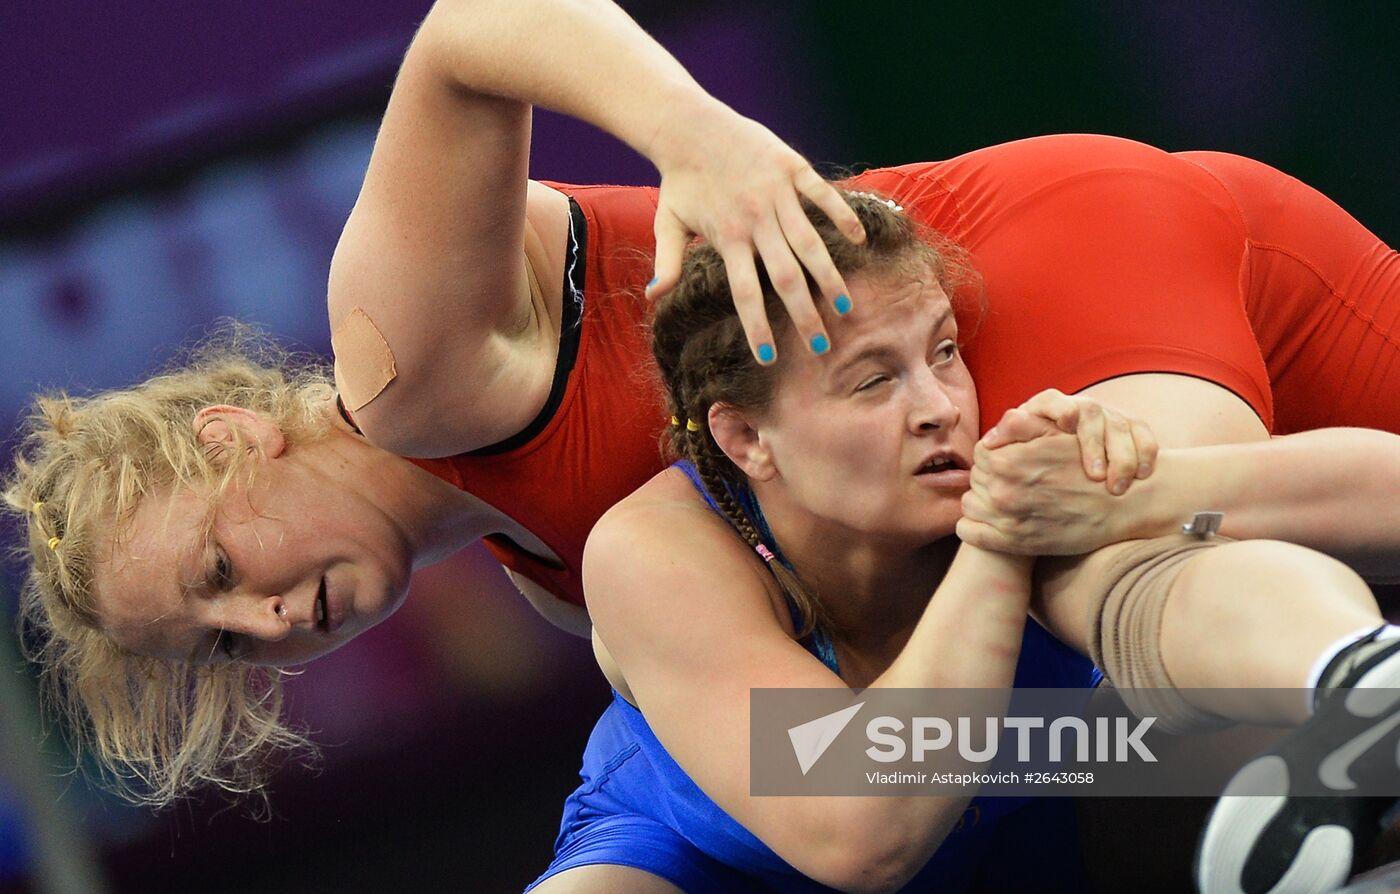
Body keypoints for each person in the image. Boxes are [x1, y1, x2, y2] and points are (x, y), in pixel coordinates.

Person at [5, 0, 1400, 852]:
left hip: (1026, 272)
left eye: (220, 566)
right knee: (1100, 596)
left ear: (233, 435)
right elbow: (911, 756)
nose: (269, 618)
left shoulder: (401, 367)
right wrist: (1136, 750)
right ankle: (1341, 709)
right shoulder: (560, 569)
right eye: (224, 638)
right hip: (1187, 229)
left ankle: (1352, 721)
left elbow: (480, 2)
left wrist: (702, 141)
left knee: (1116, 564)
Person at [528, 190, 1400, 894]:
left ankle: (1359, 678)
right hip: (726, 863)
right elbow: (858, 832)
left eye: (944, 352)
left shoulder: (1018, 457)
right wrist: (996, 544)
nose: (940, 404)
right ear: (747, 439)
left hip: (1055, 793)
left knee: (1149, 589)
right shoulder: (655, 547)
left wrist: (1165, 493)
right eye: (874, 380)